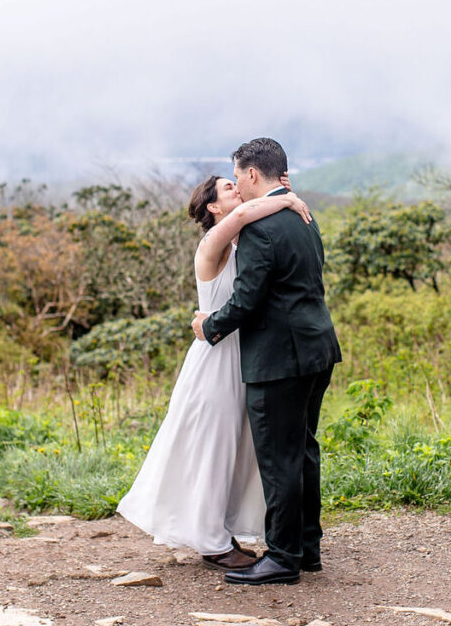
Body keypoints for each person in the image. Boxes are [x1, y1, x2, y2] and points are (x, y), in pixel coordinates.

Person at [117, 172, 312, 569]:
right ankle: (211, 543)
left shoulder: (245, 239)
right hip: (215, 360)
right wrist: (287, 199)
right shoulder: (213, 241)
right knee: (212, 447)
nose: (237, 190)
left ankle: (222, 529)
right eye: (228, 188)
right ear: (213, 207)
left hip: (242, 356)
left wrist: (283, 193)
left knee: (235, 449)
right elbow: (245, 215)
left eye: (237, 184)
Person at [192, 137, 342, 585]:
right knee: (304, 452)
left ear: (252, 174)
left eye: (237, 175)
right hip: (317, 347)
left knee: (279, 459)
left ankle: (280, 557)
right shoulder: (304, 215)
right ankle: (305, 549)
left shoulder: (261, 228)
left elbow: (248, 300)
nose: (236, 183)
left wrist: (210, 327)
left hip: (280, 357)